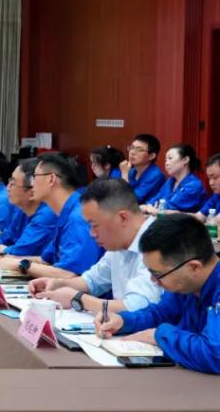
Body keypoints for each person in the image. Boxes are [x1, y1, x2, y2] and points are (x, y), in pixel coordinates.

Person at [96, 214, 220, 374]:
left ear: (194, 267)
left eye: (158, 274)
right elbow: (161, 314)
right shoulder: (187, 284)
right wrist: (123, 321)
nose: (153, 281)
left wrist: (160, 335)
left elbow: (215, 354)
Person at [28, 178, 161, 313]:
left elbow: (137, 307)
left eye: (95, 225)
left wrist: (79, 299)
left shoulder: (159, 243)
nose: (92, 233)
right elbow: (92, 281)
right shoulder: (119, 243)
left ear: (122, 218)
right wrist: (59, 284)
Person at [0, 153, 103, 279]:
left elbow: (69, 274)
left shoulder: (79, 217)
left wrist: (19, 264)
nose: (31, 184)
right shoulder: (64, 212)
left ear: (51, 179)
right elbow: (45, 260)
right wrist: (5, 259)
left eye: (34, 177)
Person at [0, 159, 57, 258]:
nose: (7, 188)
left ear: (32, 191)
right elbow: (5, 237)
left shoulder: (47, 215)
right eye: (9, 181)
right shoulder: (23, 209)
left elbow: (21, 251)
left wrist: (2, 249)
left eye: (13, 183)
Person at [143, 143, 207, 214]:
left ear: (185, 160)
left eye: (170, 158)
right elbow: (154, 200)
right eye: (165, 160)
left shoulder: (194, 185)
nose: (166, 163)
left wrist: (150, 208)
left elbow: (170, 207)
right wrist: (148, 207)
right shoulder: (170, 182)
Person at [119, 133, 166, 204]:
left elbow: (132, 200)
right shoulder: (132, 171)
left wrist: (125, 175)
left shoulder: (155, 175)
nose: (132, 152)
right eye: (131, 148)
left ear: (151, 156)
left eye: (139, 150)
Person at [193, 153, 220, 222]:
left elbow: (216, 221)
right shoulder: (216, 195)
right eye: (209, 178)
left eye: (215, 177)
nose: (211, 183)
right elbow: (199, 216)